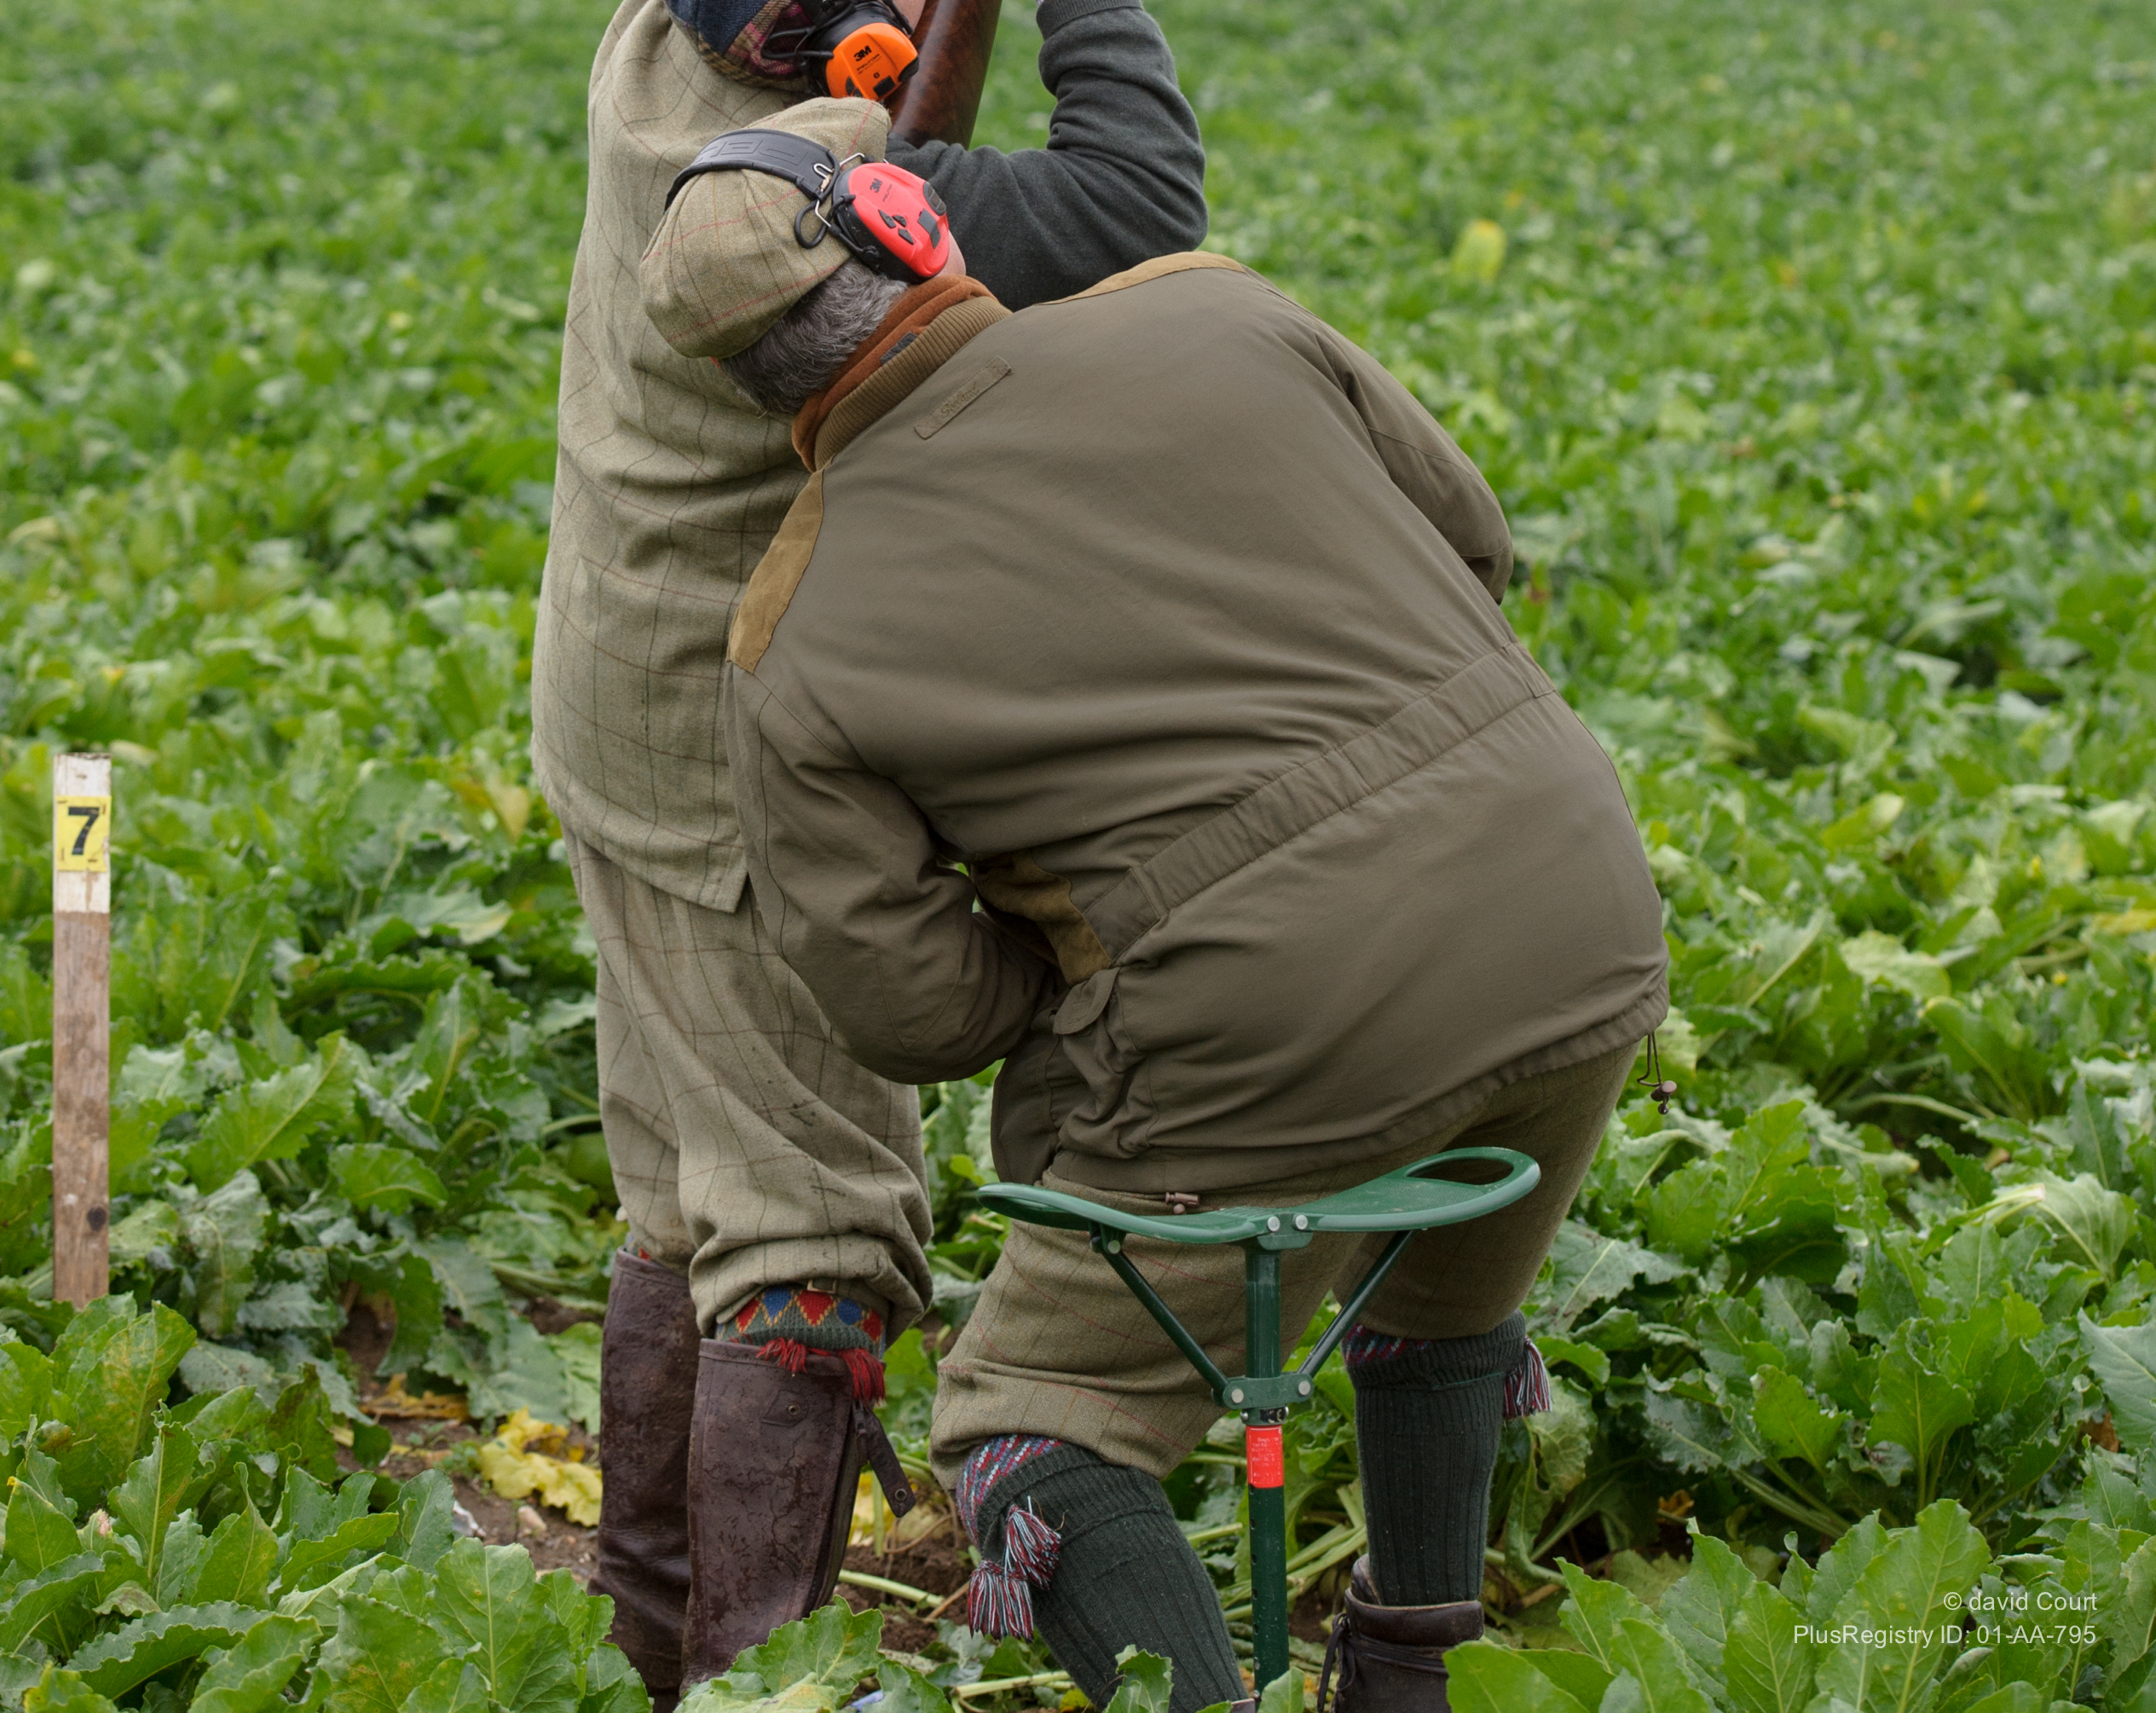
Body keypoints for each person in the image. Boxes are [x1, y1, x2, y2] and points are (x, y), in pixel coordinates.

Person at [639, 170, 1668, 1713]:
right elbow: (1474, 544)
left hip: (1275, 1019)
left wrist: (1082, 950)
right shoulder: (1217, 310)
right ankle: (1410, 1674)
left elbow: (910, 1010)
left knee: (1028, 1430)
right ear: (916, 234)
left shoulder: (797, 627)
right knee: (1442, 1296)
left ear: (732, 386)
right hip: (1581, 901)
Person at [529, 0, 1206, 1701]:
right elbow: (1125, 195)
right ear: (848, 44)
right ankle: (755, 1682)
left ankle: (658, 1660)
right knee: (813, 1237)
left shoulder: (664, 42)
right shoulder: (819, 199)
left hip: (610, 708)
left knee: (683, 1191)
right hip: (730, 742)